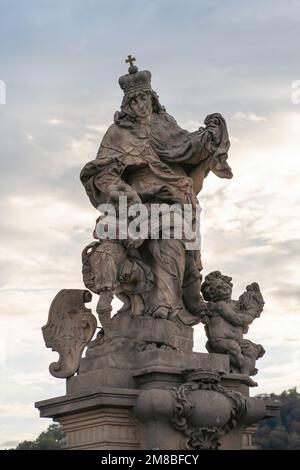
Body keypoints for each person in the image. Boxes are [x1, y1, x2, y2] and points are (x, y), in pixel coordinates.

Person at [80, 61, 233, 326]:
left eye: (144, 98)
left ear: (152, 100)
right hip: (133, 204)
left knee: (171, 241)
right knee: (115, 242)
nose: (141, 105)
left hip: (172, 199)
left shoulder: (166, 126)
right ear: (128, 105)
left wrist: (210, 135)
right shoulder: (117, 134)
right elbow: (102, 172)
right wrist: (122, 194)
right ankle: (141, 307)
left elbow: (187, 146)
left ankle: (166, 308)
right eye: (135, 101)